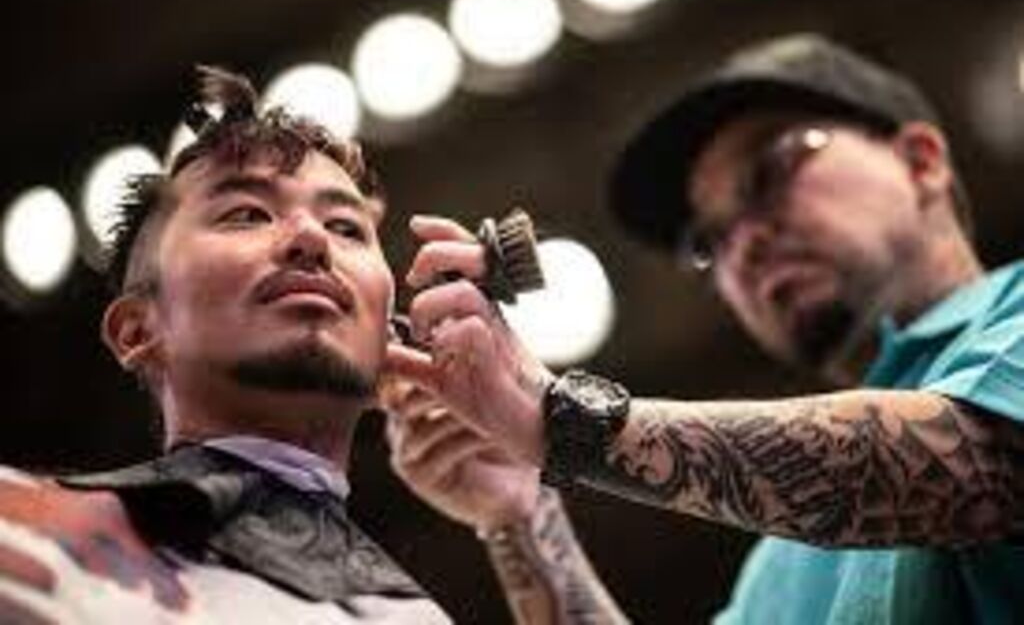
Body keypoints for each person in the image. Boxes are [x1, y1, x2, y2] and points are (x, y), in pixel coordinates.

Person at [383, 34, 1024, 624]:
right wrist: (522, 519)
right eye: (709, 243)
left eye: (770, 173)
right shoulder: (782, 566)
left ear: (921, 162)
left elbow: (973, 466)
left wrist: (559, 420)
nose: (744, 244)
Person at [0, 66, 624, 624]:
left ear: (388, 333)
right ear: (138, 329)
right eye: (245, 214)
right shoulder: (18, 526)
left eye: (346, 227)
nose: (311, 239)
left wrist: (520, 514)